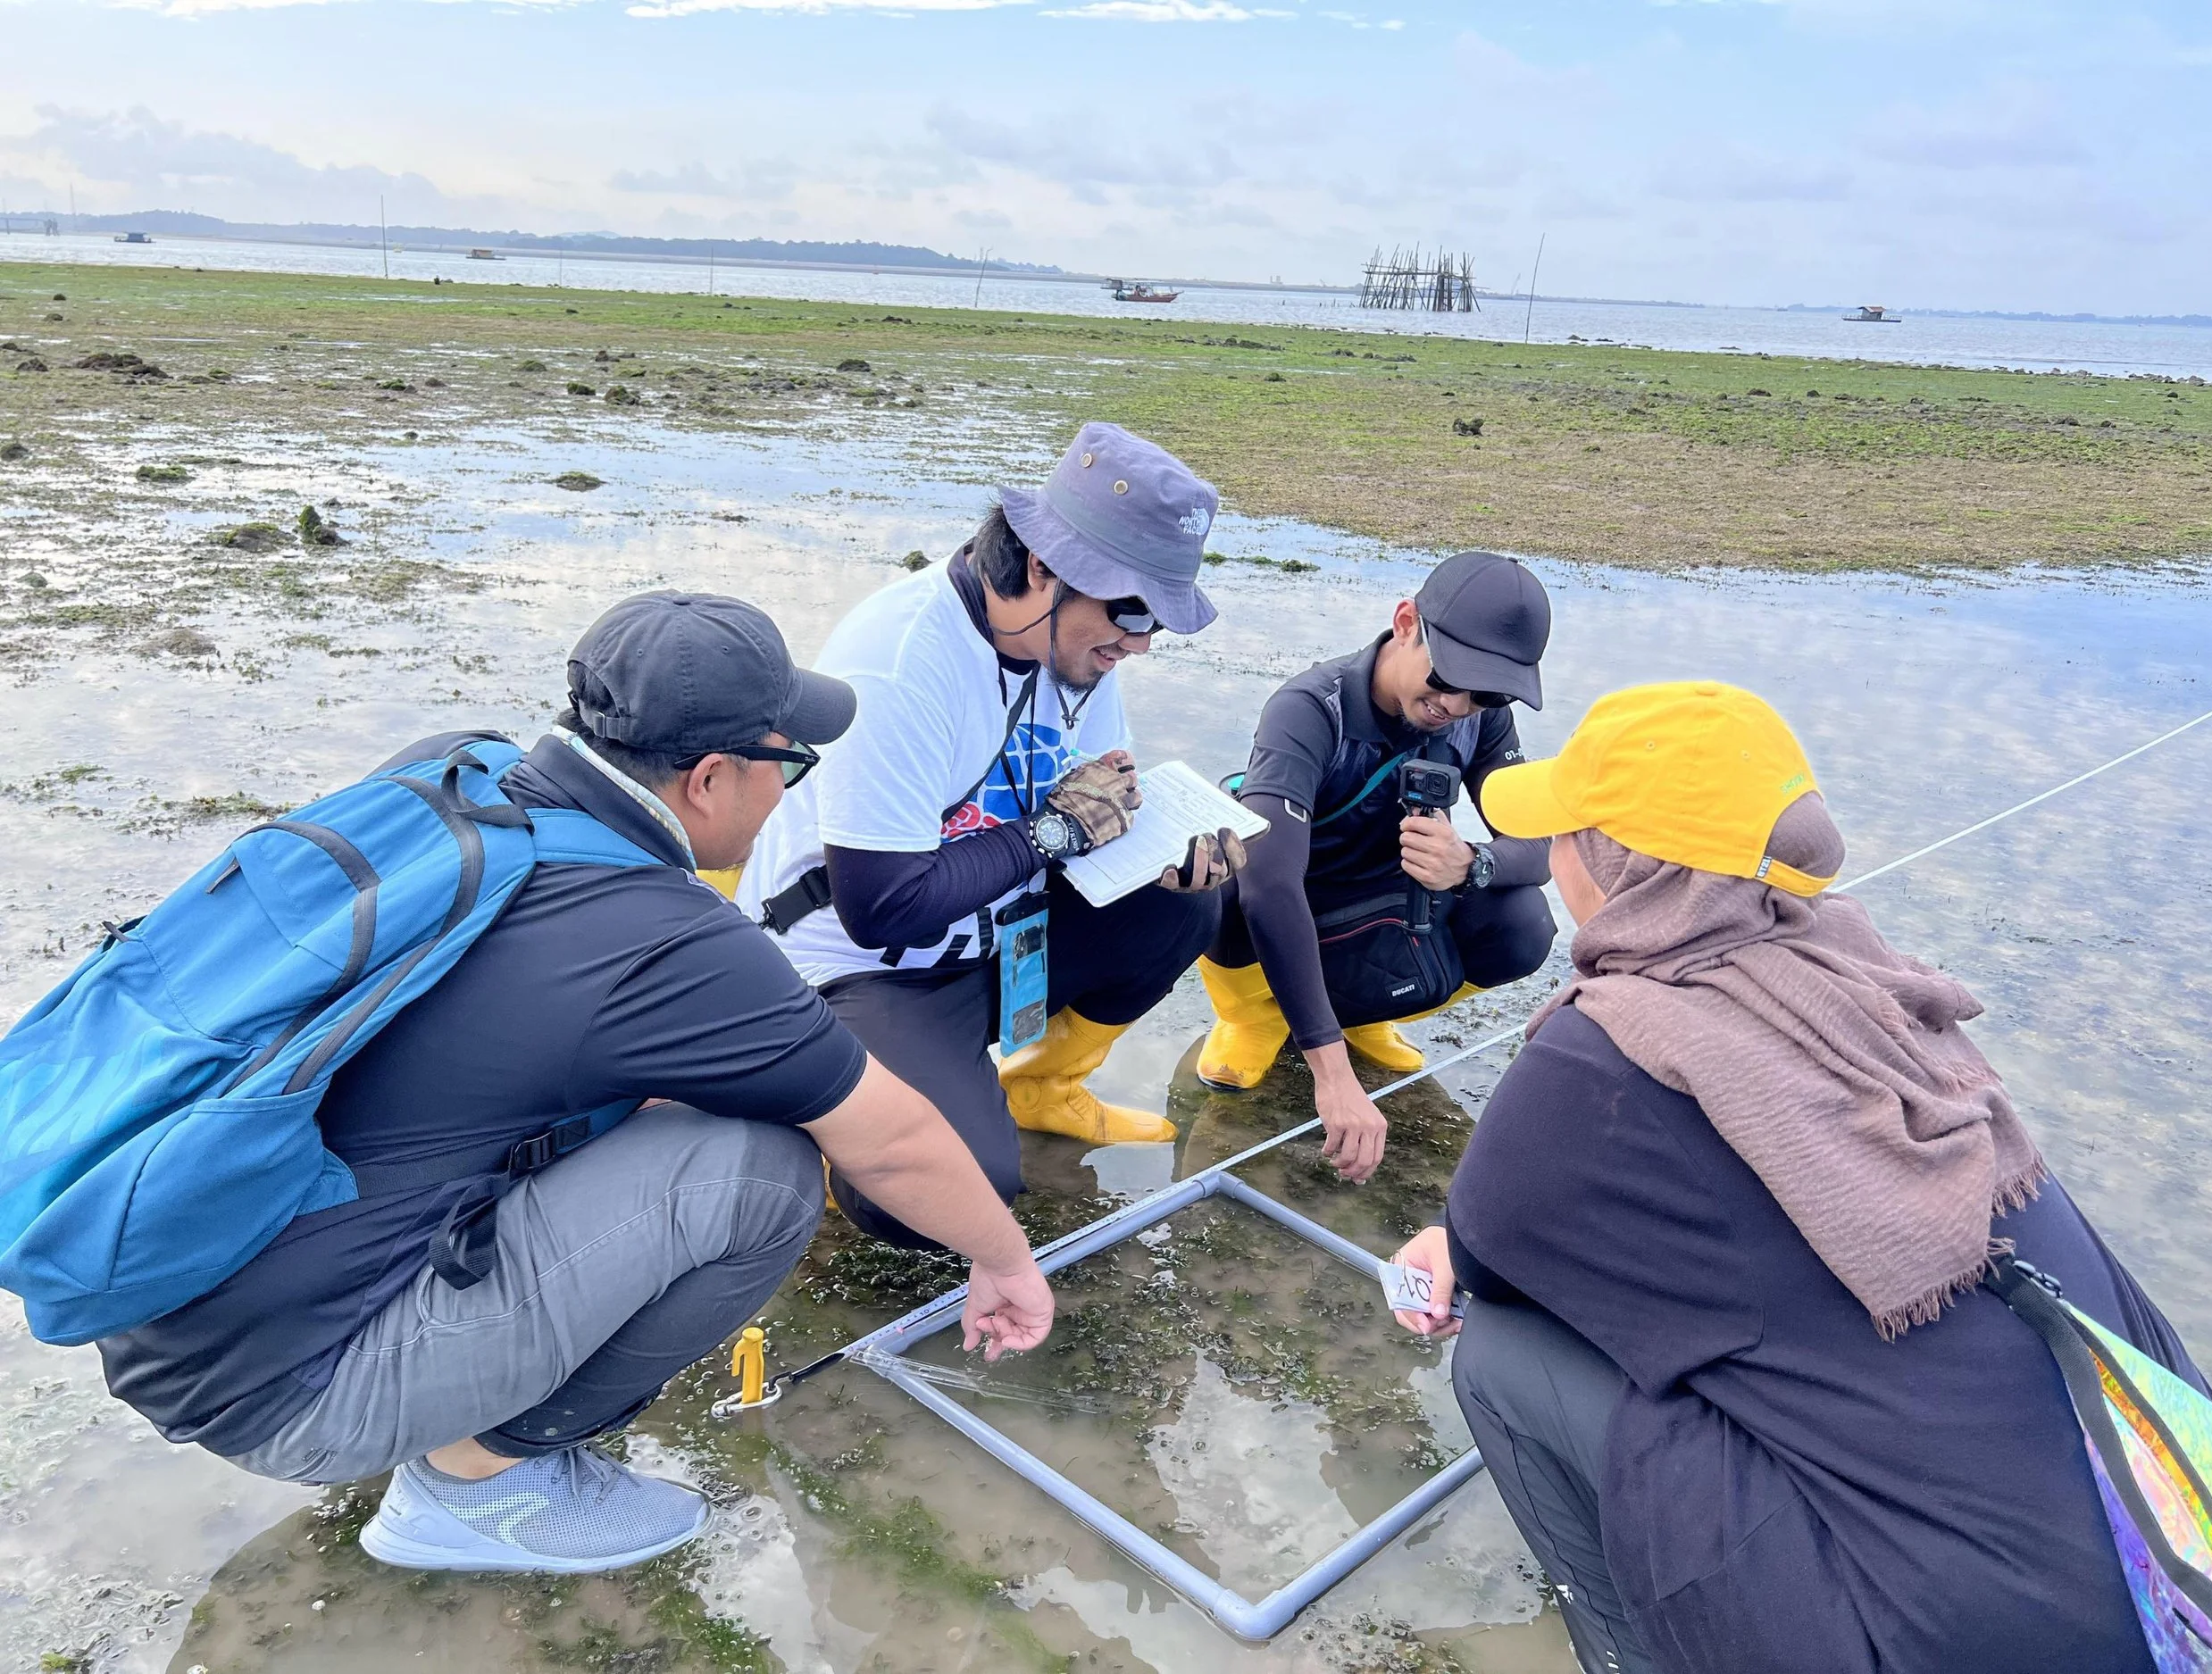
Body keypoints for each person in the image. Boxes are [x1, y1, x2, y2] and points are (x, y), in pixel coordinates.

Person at [96, 592, 1056, 1576]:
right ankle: (479, 1483)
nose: (789, 795)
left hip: (172, 1291)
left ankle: (449, 1417)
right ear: (711, 777)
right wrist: (1006, 1262)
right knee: (762, 1173)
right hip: (290, 1389)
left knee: (672, 1101)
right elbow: (889, 1139)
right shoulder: (666, 940)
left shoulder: (453, 775)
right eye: (789, 764)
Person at [1392, 680, 2210, 1674]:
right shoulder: (1864, 972)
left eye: (1570, 832)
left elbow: (1481, 1255)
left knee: (1502, 1356)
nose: (1555, 856)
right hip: (2178, 1548)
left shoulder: (1604, 1052)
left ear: (1618, 864)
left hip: (1953, 1638)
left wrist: (1449, 1244)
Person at [733, 422, 1246, 1250]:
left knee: (1188, 906)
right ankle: (824, 1116)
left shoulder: (1080, 655)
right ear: (1044, 566)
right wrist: (1051, 830)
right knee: (950, 1199)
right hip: (863, 971)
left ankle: (1040, 1086)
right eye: (1132, 610)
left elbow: (1094, 813)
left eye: (1160, 620)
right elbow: (882, 909)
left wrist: (1170, 857)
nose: (1143, 643)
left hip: (995, 936)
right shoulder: (903, 659)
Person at [1196, 552, 1557, 1181]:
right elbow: (1271, 885)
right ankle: (1255, 1018)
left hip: (1376, 911)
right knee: (1230, 878)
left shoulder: (1481, 717)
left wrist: (1470, 860)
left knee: (1523, 919)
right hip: (1284, 916)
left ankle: (1367, 1016)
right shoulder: (1312, 708)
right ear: (1406, 621)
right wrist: (1331, 1073)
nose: (1457, 704)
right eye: (1448, 677)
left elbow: (1540, 846)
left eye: (1486, 692)